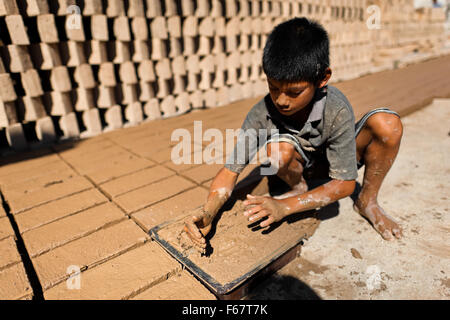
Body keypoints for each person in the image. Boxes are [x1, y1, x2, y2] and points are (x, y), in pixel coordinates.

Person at [183, 18, 403, 252]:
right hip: (300, 168)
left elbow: (346, 183)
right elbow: (229, 172)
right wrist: (208, 212)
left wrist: (284, 207)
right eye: (273, 87)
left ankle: (368, 201)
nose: (281, 100)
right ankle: (299, 187)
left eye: (294, 92)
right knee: (276, 151)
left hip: (336, 164)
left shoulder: (336, 108)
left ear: (323, 79)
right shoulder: (261, 113)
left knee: (388, 124)